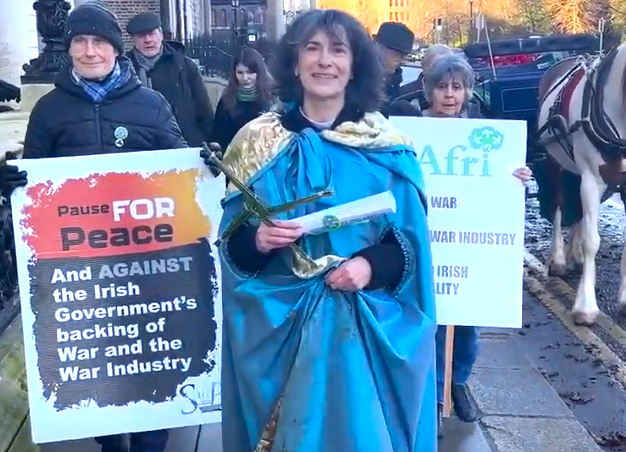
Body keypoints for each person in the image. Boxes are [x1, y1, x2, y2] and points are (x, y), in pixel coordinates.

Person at [211, 9, 436, 452]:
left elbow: (410, 247)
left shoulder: (387, 147)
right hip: (279, 325)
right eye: (311, 48)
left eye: (338, 50)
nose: (324, 61)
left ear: (355, 65)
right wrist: (257, 241)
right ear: (294, 63)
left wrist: (370, 266)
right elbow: (232, 245)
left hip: (364, 327)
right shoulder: (256, 144)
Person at [0, 3, 187, 451]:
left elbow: (180, 170)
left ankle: (151, 438)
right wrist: (14, 184)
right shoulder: (50, 110)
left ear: (115, 48)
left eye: (98, 41)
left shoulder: (151, 105)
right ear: (69, 50)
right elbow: (35, 181)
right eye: (79, 42)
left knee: (146, 352)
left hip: (143, 262)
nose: (89, 51)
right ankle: (108, 439)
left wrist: (204, 166)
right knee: (97, 357)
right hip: (81, 267)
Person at [421, 54, 531, 437]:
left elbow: (499, 189)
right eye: (442, 87)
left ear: (467, 91)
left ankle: (458, 382)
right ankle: (435, 396)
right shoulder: (411, 132)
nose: (449, 95)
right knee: (432, 325)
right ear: (429, 90)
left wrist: (516, 178)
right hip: (429, 243)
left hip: (466, 244)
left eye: (457, 87)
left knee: (467, 325)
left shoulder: (481, 132)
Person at [126, 12, 213, 146]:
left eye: (152, 34)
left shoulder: (183, 66)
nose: (148, 40)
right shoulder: (124, 68)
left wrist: (206, 142)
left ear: (161, 34)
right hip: (139, 145)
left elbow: (204, 109)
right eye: (141, 36)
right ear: (133, 39)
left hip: (182, 143)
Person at [209, 46, 274, 149]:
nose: (245, 78)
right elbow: (217, 135)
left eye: (250, 72)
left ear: (259, 71)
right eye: (240, 73)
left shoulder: (272, 98)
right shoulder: (227, 100)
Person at [374, 21, 414, 116]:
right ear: (381, 47)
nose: (402, 61)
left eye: (405, 56)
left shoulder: (394, 80)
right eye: (399, 55)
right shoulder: (358, 78)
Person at [396, 43, 453, 110]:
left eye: (447, 68)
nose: (441, 72)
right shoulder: (404, 95)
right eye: (435, 67)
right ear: (423, 67)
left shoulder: (459, 95)